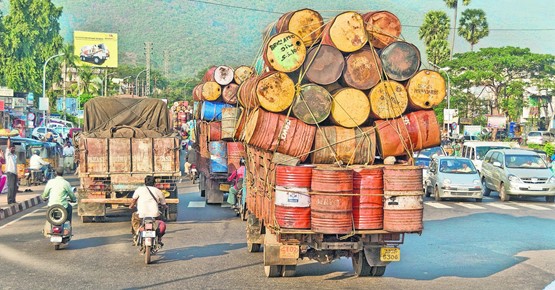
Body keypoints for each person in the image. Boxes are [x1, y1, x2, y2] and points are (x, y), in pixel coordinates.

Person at [129, 176, 167, 246]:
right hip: (154, 214)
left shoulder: (139, 189)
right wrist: (165, 206)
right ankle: (159, 238)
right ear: (154, 183)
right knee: (161, 221)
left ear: (145, 182)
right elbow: (163, 203)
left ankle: (136, 233)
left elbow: (134, 199)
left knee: (134, 218)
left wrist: (131, 206)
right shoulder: (158, 191)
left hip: (141, 214)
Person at [5, 137, 18, 205]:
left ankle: (13, 200)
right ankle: (10, 200)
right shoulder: (8, 154)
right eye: (11, 148)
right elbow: (8, 146)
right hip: (10, 172)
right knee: (11, 187)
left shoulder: (15, 156)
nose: (13, 149)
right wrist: (9, 138)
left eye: (14, 148)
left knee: (15, 187)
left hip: (15, 173)